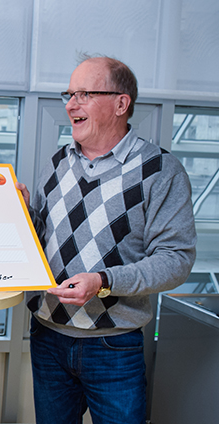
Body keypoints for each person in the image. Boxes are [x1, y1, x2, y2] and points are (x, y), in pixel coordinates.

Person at [17, 55, 196, 424]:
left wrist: (103, 282)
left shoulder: (160, 170)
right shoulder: (57, 163)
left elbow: (176, 258)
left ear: (120, 103)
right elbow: (43, 238)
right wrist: (21, 216)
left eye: (84, 93)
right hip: (47, 334)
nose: (70, 104)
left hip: (113, 345)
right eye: (69, 94)